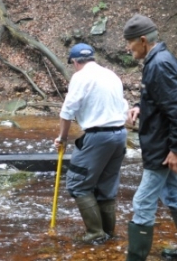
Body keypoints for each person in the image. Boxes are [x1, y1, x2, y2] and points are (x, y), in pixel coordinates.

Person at [54, 43, 128, 244]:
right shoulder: (112, 75)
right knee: (106, 187)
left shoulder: (80, 77)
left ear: (76, 62)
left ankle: (95, 234)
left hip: (98, 137)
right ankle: (108, 234)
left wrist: (62, 138)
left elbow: (67, 111)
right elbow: (124, 107)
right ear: (93, 58)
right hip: (120, 135)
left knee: (78, 184)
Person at [123, 14, 177, 260]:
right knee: (173, 196)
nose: (128, 48)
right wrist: (140, 106)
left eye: (130, 42)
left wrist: (175, 150)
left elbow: (176, 109)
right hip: (162, 145)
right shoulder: (157, 60)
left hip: (162, 149)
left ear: (143, 40)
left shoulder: (159, 64)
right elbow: (159, 99)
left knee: (143, 201)